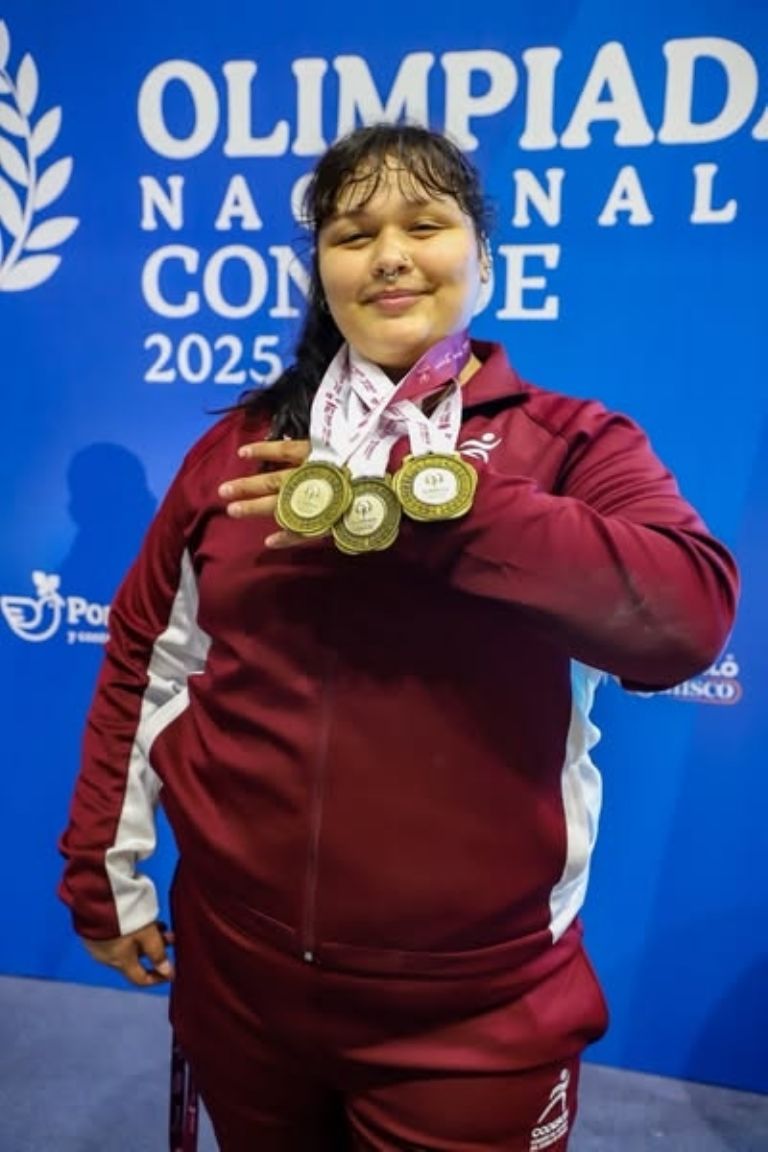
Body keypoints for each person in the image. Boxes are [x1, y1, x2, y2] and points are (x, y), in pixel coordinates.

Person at [59, 123, 739, 1151]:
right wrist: (104, 876)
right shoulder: (240, 453)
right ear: (320, 269)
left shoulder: (571, 444)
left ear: (483, 260)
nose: (388, 254)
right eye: (351, 231)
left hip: (476, 1009)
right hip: (242, 980)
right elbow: (147, 665)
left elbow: (685, 621)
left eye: (425, 223)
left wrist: (441, 507)